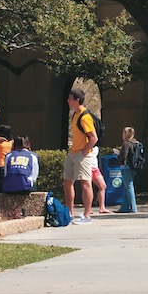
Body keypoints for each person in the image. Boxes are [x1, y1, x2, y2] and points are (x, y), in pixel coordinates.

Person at [64, 86, 99, 224]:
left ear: (77, 100)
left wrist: (83, 152)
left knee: (85, 183)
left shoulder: (85, 117)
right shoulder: (75, 114)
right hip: (72, 153)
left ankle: (86, 215)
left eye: (70, 99)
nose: (68, 101)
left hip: (83, 154)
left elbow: (93, 138)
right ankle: (70, 213)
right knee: (67, 183)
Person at [118, 126, 144, 213]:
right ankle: (124, 207)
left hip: (126, 167)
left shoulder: (126, 144)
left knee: (129, 187)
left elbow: (124, 156)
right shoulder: (136, 143)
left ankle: (133, 208)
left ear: (126, 134)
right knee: (126, 187)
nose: (122, 135)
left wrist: (118, 154)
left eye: (123, 133)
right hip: (134, 167)